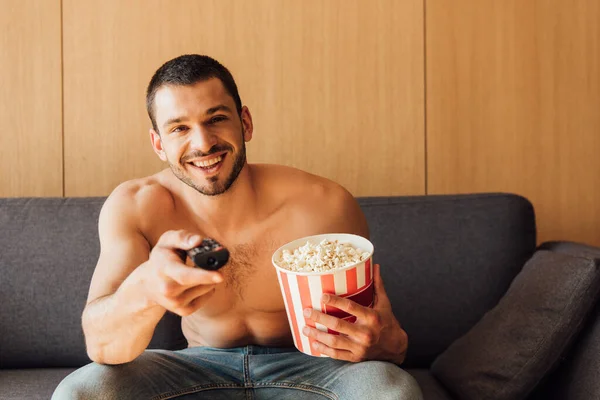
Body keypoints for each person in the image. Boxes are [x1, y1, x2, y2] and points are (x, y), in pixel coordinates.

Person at [52, 54, 423, 400]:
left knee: (393, 390)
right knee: (83, 390)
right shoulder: (135, 206)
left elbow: (392, 343)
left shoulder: (324, 205)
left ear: (244, 122)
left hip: (313, 365)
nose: (202, 143)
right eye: (179, 128)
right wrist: (146, 289)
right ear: (158, 144)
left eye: (216, 119)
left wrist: (383, 343)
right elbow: (102, 347)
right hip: (195, 366)